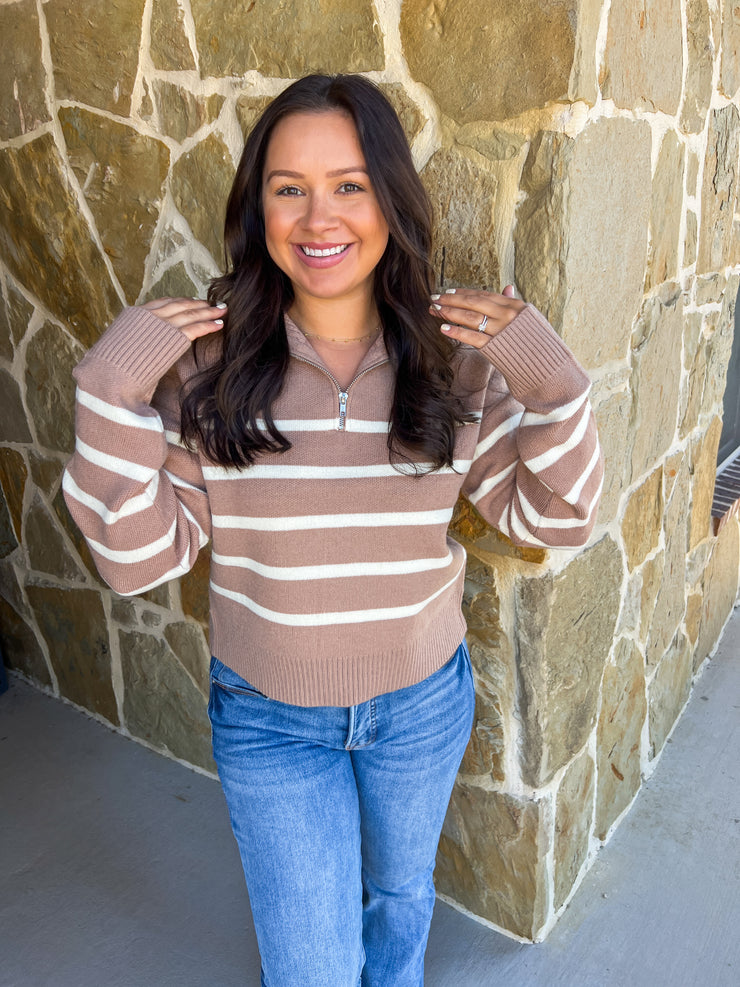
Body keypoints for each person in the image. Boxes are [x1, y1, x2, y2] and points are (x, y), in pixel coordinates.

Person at [63, 74, 603, 986]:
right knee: (311, 967)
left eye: (350, 184)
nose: (319, 218)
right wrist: (110, 386)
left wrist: (553, 384)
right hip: (268, 720)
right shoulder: (209, 366)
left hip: (421, 704)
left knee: (400, 898)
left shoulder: (454, 360)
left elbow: (559, 514)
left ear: (391, 200)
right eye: (290, 188)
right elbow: (133, 558)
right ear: (258, 206)